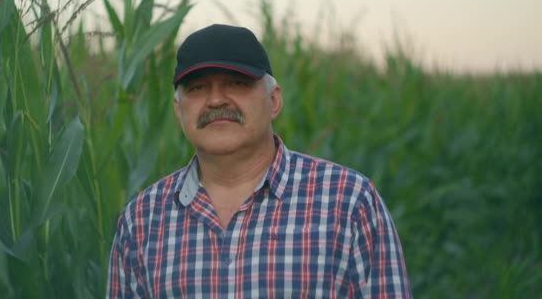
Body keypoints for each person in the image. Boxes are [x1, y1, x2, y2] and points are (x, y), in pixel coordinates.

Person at [107, 24, 412, 298]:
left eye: (237, 83)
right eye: (197, 87)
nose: (215, 100)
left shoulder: (349, 203)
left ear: (274, 100)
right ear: (178, 110)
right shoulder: (142, 221)